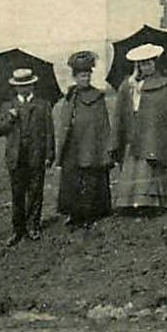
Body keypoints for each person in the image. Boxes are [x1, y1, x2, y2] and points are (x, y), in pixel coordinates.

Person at [112, 44, 167, 214]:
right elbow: (122, 111)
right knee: (135, 166)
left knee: (152, 165)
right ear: (137, 66)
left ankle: (155, 201)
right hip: (134, 131)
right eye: (142, 64)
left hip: (154, 133)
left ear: (155, 63)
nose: (146, 67)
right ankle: (132, 202)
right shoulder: (129, 85)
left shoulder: (164, 85)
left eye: (149, 63)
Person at [0, 67, 55, 245]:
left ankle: (33, 225)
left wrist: (49, 154)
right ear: (15, 88)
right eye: (20, 86)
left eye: (27, 85)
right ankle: (17, 229)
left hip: (36, 154)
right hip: (16, 157)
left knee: (35, 191)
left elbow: (49, 132)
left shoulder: (43, 105)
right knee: (17, 194)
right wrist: (10, 118)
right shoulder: (7, 106)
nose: (24, 89)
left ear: (33, 86)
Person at [55, 51, 115, 229]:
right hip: (73, 145)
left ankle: (90, 213)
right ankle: (74, 213)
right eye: (82, 76)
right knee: (72, 179)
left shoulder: (97, 97)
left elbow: (102, 124)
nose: (85, 79)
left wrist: (104, 147)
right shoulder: (70, 96)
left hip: (90, 145)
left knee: (90, 179)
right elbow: (65, 121)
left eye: (88, 75)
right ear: (75, 77)